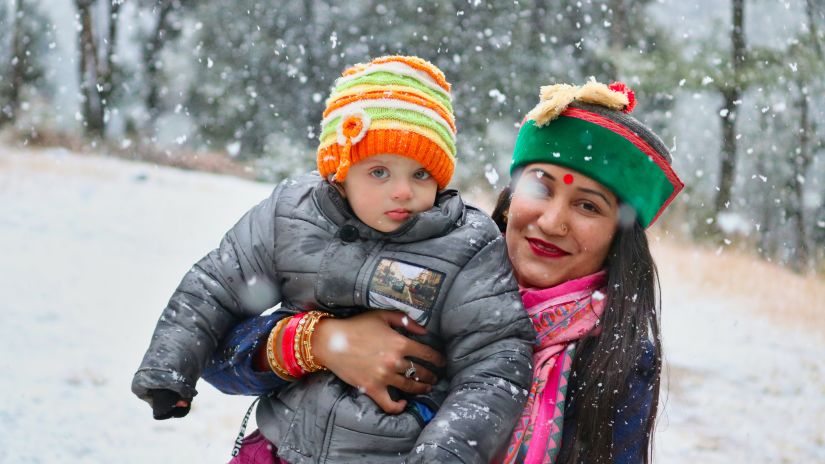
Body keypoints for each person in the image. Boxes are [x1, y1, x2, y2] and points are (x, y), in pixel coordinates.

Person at [206, 79, 684, 464]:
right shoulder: (425, 261)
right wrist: (321, 342)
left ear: (617, 237)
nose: (552, 221)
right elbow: (214, 355)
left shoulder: (616, 357)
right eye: (541, 187)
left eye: (587, 206)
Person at [131, 55, 535, 463]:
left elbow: (494, 361)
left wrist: (445, 451)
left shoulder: (465, 244)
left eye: (420, 174)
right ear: (340, 172)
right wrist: (170, 368)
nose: (402, 191)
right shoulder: (292, 215)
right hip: (277, 446)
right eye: (379, 172)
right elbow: (215, 284)